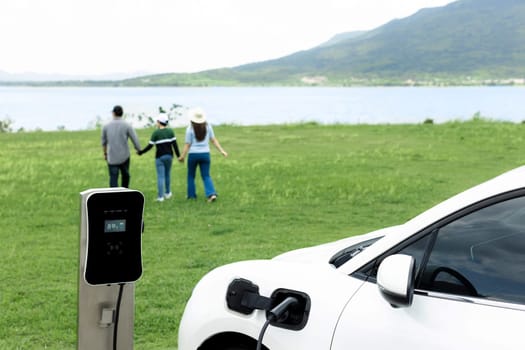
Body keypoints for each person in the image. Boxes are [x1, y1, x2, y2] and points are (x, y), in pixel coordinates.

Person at [178, 108, 228, 202]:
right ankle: (211, 194)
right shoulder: (208, 127)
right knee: (206, 175)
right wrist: (222, 151)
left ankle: (191, 195)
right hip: (205, 154)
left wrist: (182, 156)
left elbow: (187, 144)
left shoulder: (189, 129)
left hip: (193, 155)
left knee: (191, 175)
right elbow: (213, 140)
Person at [137, 113, 181, 202]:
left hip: (160, 158)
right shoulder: (170, 132)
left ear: (159, 122)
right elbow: (175, 145)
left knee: (161, 177)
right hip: (169, 156)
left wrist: (141, 152)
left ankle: (160, 197)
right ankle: (168, 193)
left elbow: (150, 146)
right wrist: (179, 156)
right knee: (167, 174)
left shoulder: (156, 133)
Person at [101, 105, 141, 188]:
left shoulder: (106, 126)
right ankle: (125, 192)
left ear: (113, 113)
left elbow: (104, 142)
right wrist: (138, 149)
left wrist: (105, 154)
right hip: (124, 156)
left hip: (112, 157)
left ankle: (114, 195)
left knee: (113, 177)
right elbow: (134, 138)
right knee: (125, 176)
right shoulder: (127, 125)